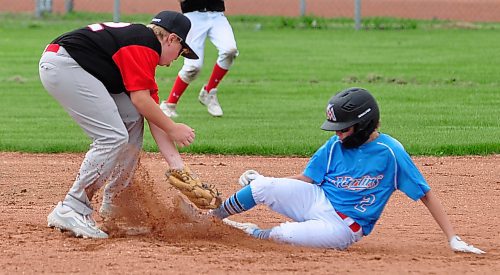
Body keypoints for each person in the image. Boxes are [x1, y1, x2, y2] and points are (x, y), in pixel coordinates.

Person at [209, 87, 485, 253]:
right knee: (261, 187)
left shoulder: (391, 153)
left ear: (363, 124)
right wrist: (268, 180)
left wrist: (453, 238)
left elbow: (426, 194)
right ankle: (211, 218)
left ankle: (250, 231)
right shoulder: (334, 145)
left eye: (344, 128)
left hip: (343, 227)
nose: (338, 134)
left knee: (285, 235)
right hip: (318, 199)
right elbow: (308, 180)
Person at [39, 10, 200, 239]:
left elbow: (149, 111)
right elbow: (141, 100)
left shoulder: (144, 47)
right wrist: (174, 128)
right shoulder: (143, 45)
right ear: (171, 38)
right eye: (181, 51)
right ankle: (72, 206)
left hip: (72, 65)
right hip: (65, 65)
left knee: (133, 118)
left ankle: (116, 202)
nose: (177, 58)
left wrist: (179, 168)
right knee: (112, 136)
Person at [159, 0, 238, 117]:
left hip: (217, 15)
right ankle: (169, 104)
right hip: (193, 16)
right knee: (193, 66)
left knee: (230, 50)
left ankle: (209, 92)